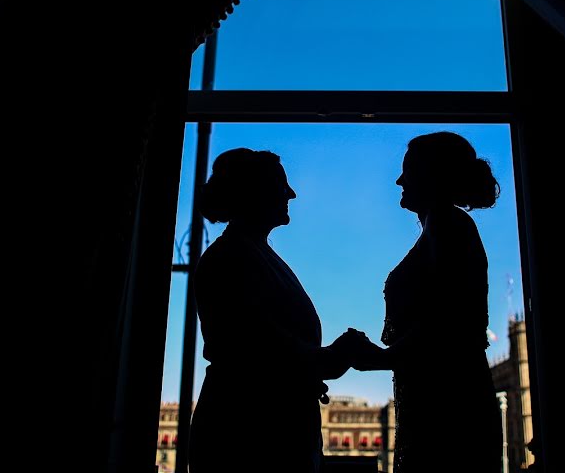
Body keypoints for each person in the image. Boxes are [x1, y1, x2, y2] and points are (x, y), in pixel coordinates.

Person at [189, 148, 358, 473]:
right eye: (281, 185)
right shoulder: (232, 258)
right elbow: (262, 347)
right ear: (254, 192)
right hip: (252, 433)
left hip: (263, 426)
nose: (291, 193)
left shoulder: (243, 254)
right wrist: (332, 356)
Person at [347, 131, 504, 472]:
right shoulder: (445, 226)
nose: (399, 179)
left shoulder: (447, 224)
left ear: (433, 176)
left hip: (446, 402)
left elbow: (447, 321)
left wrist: (379, 357)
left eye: (409, 171)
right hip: (440, 395)